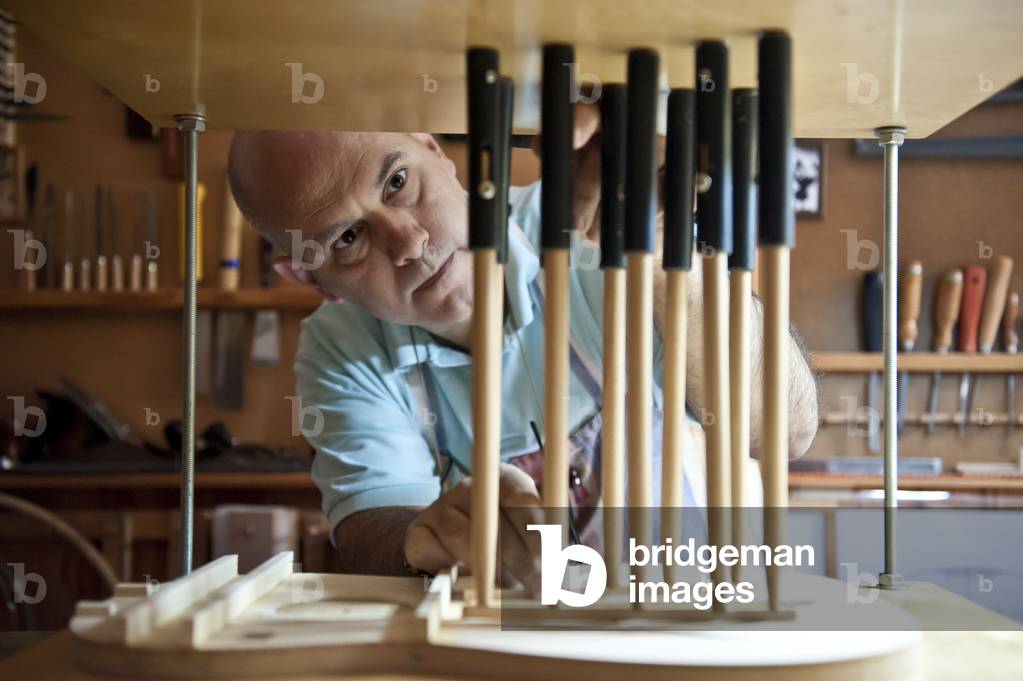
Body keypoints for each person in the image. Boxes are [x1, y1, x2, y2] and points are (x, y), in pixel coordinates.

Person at [227, 110, 819, 586]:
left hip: (711, 616)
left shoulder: (590, 228)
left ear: (434, 149)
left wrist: (664, 243)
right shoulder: (340, 351)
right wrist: (432, 533)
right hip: (526, 647)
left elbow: (783, 433)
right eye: (349, 238)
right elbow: (371, 525)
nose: (408, 242)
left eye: (398, 182)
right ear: (312, 280)